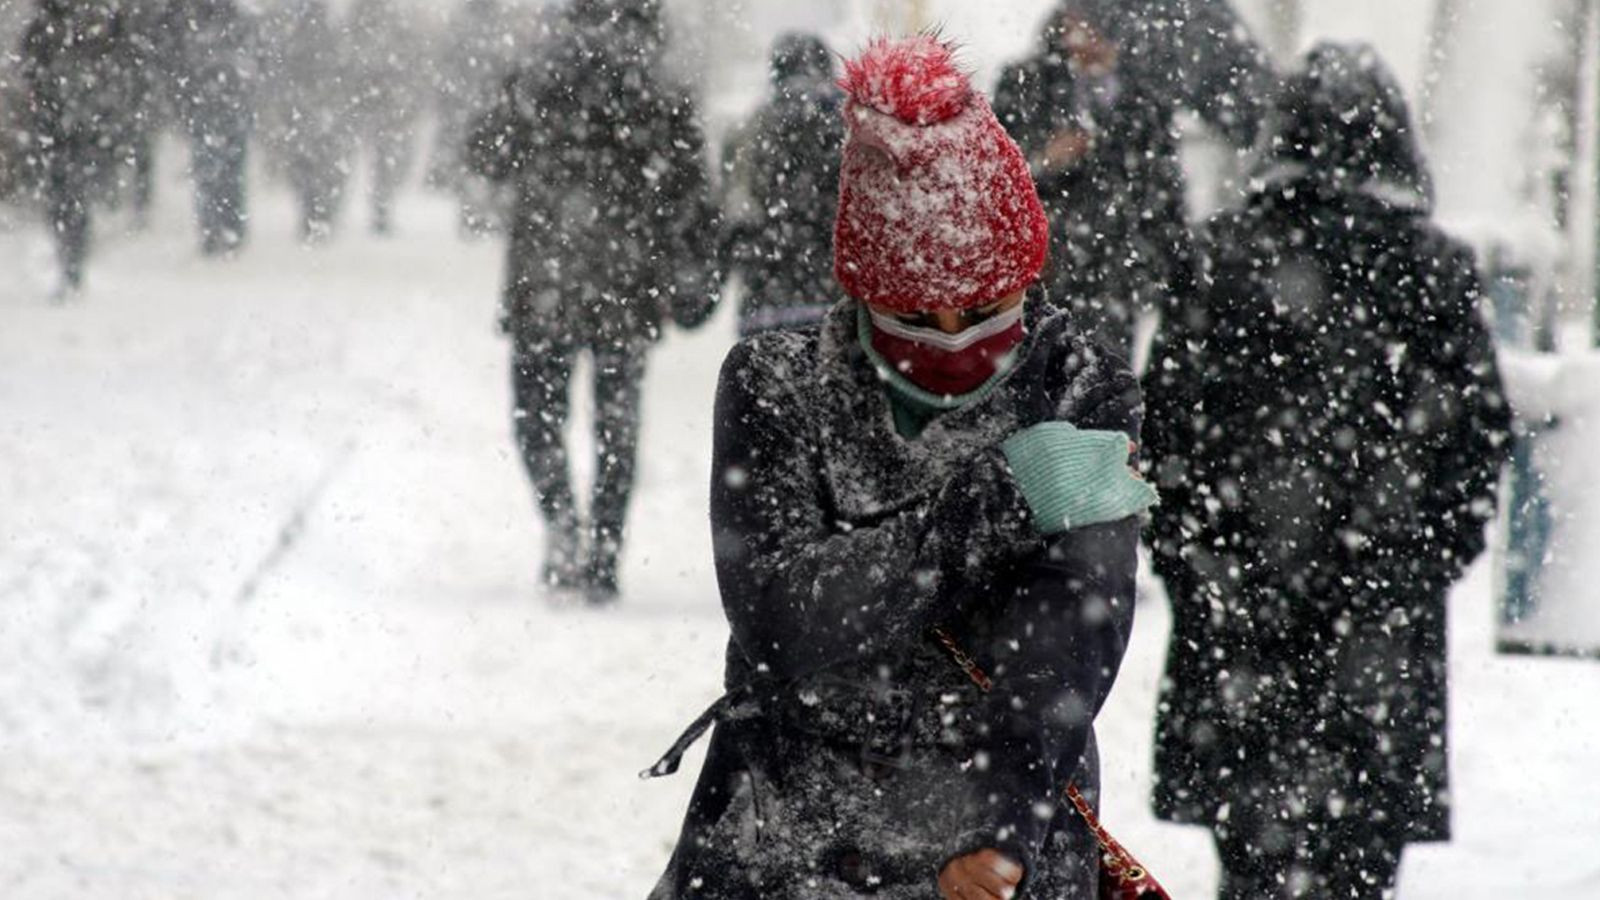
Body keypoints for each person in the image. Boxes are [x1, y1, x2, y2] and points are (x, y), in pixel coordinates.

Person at [647, 36, 1159, 899]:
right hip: (790, 828)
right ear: (861, 288)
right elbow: (779, 618)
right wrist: (996, 501)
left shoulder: (1080, 384)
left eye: (989, 306)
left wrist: (1004, 827)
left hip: (1005, 826)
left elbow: (1073, 627)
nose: (955, 334)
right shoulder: (776, 385)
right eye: (918, 312)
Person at [1143, 43, 1512, 900]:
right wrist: (1419, 561)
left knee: (1252, 858)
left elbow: (1160, 434)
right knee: (1360, 861)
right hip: (1378, 624)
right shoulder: (1434, 267)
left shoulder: (1217, 259)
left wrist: (1197, 560)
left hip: (1240, 609)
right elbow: (1478, 435)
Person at [468, 0, 719, 605]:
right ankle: (604, 552)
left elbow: (485, 154)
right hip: (625, 285)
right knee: (616, 423)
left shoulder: (536, 74)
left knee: (537, 415)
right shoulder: (659, 87)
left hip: (543, 277)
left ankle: (561, 527)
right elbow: (692, 191)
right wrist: (689, 273)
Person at [993, 0, 1273, 356]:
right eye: (1076, 21)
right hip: (1043, 276)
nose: (1081, 36)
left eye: (1094, 25)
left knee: (1102, 383)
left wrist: (1169, 269)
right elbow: (994, 181)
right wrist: (1042, 161)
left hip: (1115, 280)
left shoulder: (1145, 95)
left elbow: (1164, 194)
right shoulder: (1024, 83)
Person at [719, 33, 847, 337]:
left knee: (766, 379)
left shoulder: (749, 131)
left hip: (765, 302)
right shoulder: (852, 127)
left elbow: (733, 212)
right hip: (838, 304)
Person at [19, 0, 145, 297]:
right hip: (77, 121)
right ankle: (73, 254)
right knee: (70, 191)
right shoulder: (92, 20)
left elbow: (30, 72)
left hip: (66, 123)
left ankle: (71, 254)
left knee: (64, 192)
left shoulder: (50, 26)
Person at [167, 0, 256, 256]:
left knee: (212, 167)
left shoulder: (193, 18)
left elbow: (178, 61)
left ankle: (216, 227)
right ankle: (226, 226)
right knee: (227, 167)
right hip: (221, 103)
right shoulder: (231, 19)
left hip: (210, 103)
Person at [258, 0, 350, 243]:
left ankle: (313, 212)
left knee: (306, 164)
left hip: (304, 106)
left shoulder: (293, 28)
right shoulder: (329, 30)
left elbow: (278, 67)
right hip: (315, 105)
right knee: (320, 165)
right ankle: (319, 213)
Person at [428, 0, 520, 236]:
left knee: (474, 160)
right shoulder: (499, 26)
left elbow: (447, 60)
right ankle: (478, 215)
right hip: (484, 104)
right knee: (484, 159)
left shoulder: (467, 25)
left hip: (472, 103)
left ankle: (473, 215)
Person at [346, 0, 425, 235]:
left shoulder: (375, 18)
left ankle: (380, 207)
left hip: (383, 103)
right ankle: (380, 208)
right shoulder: (387, 18)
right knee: (385, 160)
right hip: (383, 103)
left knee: (385, 160)